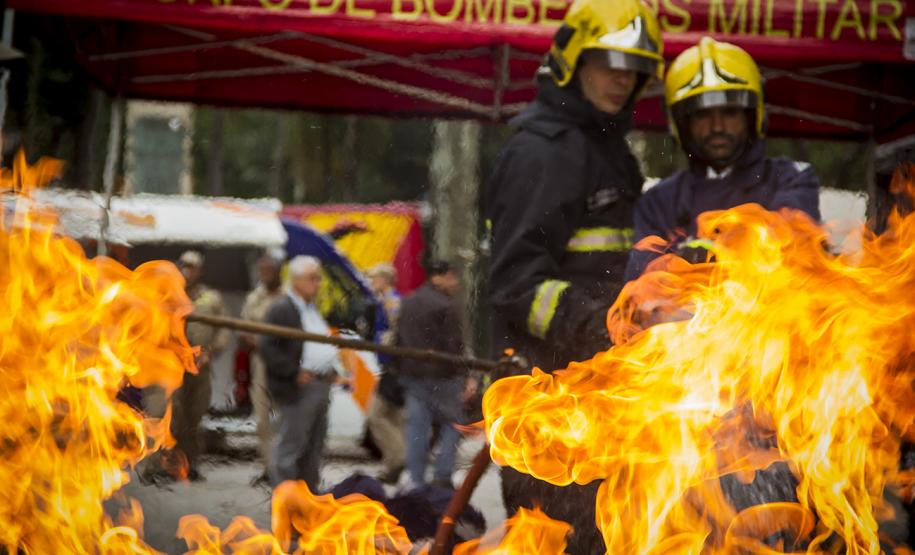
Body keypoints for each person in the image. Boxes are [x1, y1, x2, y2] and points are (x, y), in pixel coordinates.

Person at [482, 0, 663, 551]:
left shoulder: (604, 149)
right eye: (607, 61)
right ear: (570, 61)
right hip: (550, 408)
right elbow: (514, 284)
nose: (620, 78)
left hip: (598, 395)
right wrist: (603, 323)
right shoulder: (546, 152)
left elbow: (607, 263)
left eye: (633, 68)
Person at [625, 37, 821, 280]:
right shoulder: (658, 202)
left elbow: (794, 246)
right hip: (686, 319)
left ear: (752, 116)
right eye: (703, 114)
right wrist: (677, 266)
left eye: (729, 112)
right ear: (682, 124)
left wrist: (705, 256)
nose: (717, 126)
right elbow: (640, 282)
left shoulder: (790, 179)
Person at [260, 255, 341, 490]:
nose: (317, 283)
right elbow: (268, 347)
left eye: (318, 278)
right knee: (290, 448)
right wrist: (293, 372)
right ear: (297, 280)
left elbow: (319, 344)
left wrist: (331, 369)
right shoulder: (283, 309)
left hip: (318, 385)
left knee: (312, 450)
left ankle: (305, 505)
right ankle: (285, 504)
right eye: (312, 278)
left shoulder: (310, 309)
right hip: (299, 389)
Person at [397, 261, 465, 490]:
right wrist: (465, 376)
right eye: (453, 277)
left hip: (413, 375)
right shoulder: (446, 306)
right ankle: (442, 475)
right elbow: (455, 345)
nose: (456, 283)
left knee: (417, 428)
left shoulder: (408, 302)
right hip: (443, 376)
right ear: (439, 277)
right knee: (454, 424)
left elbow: (398, 339)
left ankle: (415, 479)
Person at [239, 250, 285, 484]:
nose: (265, 274)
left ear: (278, 271)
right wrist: (256, 341)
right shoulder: (254, 298)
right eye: (262, 270)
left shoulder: (288, 297)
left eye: (269, 270)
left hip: (284, 362)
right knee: (262, 418)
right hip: (261, 363)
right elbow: (245, 328)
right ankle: (269, 468)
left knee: (284, 416)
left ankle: (285, 468)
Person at [365, 263, 407, 484]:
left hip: (393, 368)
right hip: (394, 368)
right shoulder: (385, 301)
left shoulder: (391, 303)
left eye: (374, 278)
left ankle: (398, 459)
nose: (371, 283)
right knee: (395, 417)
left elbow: (392, 336)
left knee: (377, 415)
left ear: (385, 280)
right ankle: (393, 465)